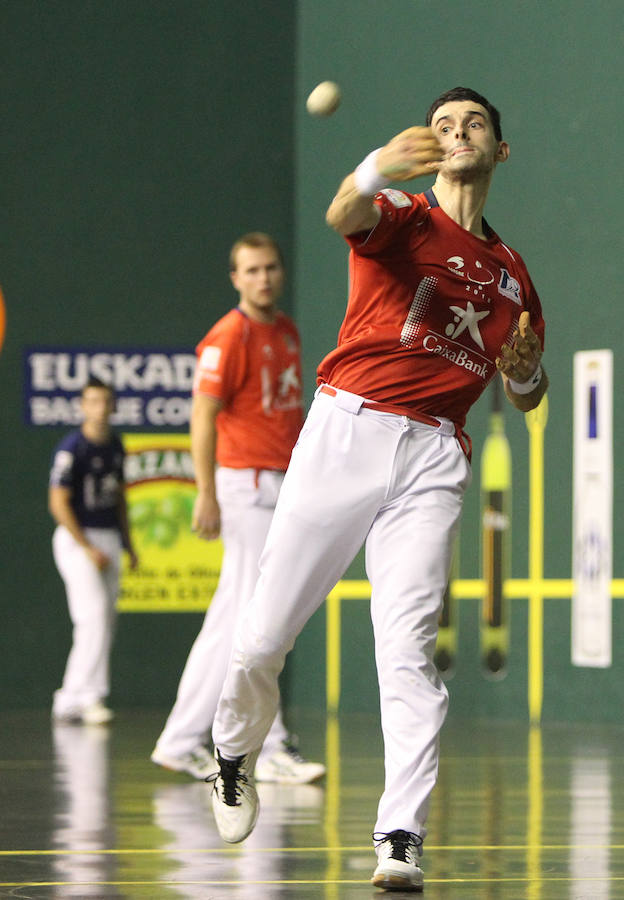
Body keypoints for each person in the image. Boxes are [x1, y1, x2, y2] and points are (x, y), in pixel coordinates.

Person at [208, 87, 548, 891]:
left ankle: (401, 834)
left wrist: (529, 376)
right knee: (262, 638)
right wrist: (372, 167)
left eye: (473, 125)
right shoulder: (401, 212)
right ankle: (231, 750)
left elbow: (529, 389)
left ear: (500, 151)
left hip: (434, 457)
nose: (456, 133)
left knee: (407, 652)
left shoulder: (512, 277)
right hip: (347, 433)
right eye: (442, 125)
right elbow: (341, 215)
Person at [150, 232, 325, 785]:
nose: (264, 278)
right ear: (235, 278)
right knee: (256, 616)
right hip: (243, 486)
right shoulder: (227, 336)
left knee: (236, 618)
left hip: (280, 486)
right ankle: (266, 746)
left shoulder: (288, 333)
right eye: (251, 270)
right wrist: (205, 489)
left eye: (271, 267)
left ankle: (184, 740)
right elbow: (202, 416)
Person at [49, 377, 138, 725]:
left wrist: (128, 544)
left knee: (104, 622)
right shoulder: (72, 448)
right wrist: (86, 547)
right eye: (93, 401)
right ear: (83, 406)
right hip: (77, 539)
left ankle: (71, 697)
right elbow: (58, 502)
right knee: (93, 617)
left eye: (105, 401)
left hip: (109, 539)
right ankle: (85, 696)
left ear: (113, 405)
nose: (100, 408)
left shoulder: (116, 446)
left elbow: (119, 497)